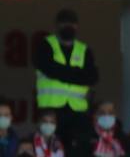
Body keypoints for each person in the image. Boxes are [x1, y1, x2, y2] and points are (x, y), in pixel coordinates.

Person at [34, 8, 98, 145]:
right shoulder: (46, 45)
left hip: (78, 112)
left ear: (77, 26)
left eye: (72, 23)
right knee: (49, 150)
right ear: (57, 25)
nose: (68, 26)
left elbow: (93, 77)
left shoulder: (84, 50)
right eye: (64, 23)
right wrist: (78, 74)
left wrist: (61, 72)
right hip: (50, 111)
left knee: (77, 151)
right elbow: (49, 69)